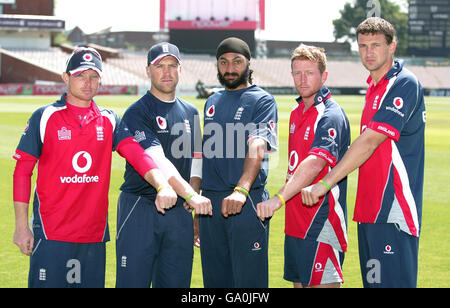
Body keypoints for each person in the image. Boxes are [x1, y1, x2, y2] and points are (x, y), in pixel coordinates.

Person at [12, 46, 177, 288]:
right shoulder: (45, 116)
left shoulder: (109, 120)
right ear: (66, 77)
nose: (88, 83)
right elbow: (22, 171)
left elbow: (137, 155)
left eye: (94, 76)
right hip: (51, 234)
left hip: (94, 236)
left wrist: (162, 185)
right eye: (80, 75)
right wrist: (21, 227)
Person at [301, 17, 426, 288]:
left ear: (392, 46)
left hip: (393, 209)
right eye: (363, 46)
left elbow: (369, 142)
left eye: (376, 45)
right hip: (369, 209)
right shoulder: (374, 86)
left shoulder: (404, 83)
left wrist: (325, 182)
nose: (369, 52)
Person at [115, 42, 212, 288]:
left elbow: (196, 162)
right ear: (148, 71)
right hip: (140, 207)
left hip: (179, 211)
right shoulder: (137, 112)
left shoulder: (191, 112)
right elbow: (157, 158)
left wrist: (193, 204)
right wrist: (192, 196)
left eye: (172, 66)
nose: (167, 72)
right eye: (160, 66)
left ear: (180, 70)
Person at [256, 44, 350, 288]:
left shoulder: (330, 115)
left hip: (321, 221)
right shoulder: (298, 111)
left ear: (324, 76)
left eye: (309, 72)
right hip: (295, 223)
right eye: (297, 73)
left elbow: (314, 163)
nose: (302, 79)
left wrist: (278, 199)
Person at [193, 37, 278, 288]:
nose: (230, 68)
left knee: (248, 282)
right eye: (224, 62)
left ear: (248, 63)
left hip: (246, 202)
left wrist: (240, 190)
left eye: (237, 61)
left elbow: (258, 145)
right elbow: (205, 155)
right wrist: (198, 203)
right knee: (215, 281)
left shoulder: (262, 100)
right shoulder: (212, 101)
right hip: (211, 205)